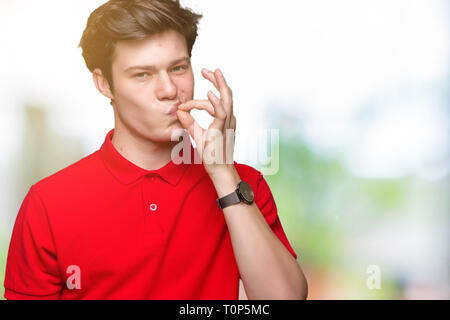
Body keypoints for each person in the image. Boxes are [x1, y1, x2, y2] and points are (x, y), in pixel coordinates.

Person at [4, 0, 308, 300]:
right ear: (104, 84)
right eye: (142, 75)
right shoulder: (48, 203)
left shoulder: (243, 184)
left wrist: (222, 173)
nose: (169, 90)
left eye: (178, 68)